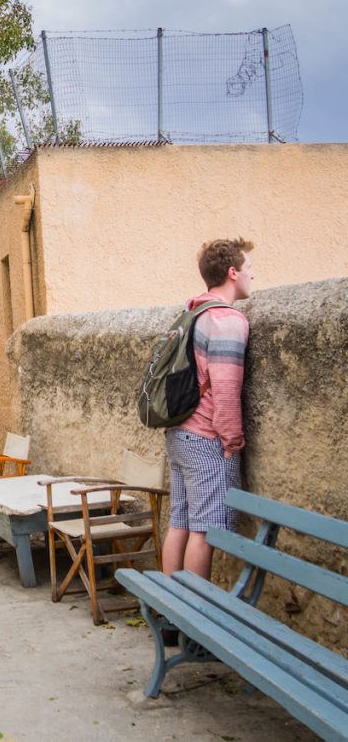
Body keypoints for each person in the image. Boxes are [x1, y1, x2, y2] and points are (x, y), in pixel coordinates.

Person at [161, 238, 254, 580]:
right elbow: (226, 391)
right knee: (204, 531)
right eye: (249, 269)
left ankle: (169, 613)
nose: (252, 276)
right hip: (205, 438)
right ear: (233, 273)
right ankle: (193, 617)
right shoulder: (227, 321)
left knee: (180, 521)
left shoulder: (192, 312)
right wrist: (232, 442)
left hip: (178, 432)